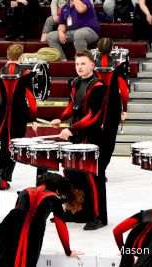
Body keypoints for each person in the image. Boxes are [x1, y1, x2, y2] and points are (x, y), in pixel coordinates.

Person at [50, 50, 107, 230]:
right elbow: (72, 106)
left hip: (92, 137)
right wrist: (61, 118)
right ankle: (76, 211)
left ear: (92, 65)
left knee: (92, 178)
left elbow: (92, 116)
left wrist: (71, 128)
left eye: (83, 63)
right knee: (72, 174)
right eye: (77, 64)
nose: (79, 67)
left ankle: (98, 216)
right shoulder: (75, 83)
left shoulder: (98, 86)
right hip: (76, 135)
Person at [0, 172, 83, 266]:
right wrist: (68, 251)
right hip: (33, 234)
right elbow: (61, 227)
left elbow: (14, 214)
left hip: (9, 230)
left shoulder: (24, 191)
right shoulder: (54, 199)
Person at [0, 44, 38, 190]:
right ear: (21, 56)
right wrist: (33, 118)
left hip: (2, 114)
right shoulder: (26, 73)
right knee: (13, 145)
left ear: (7, 55)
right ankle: (5, 176)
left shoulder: (0, 72)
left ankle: (2, 174)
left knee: (3, 145)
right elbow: (31, 99)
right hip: (19, 114)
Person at [94, 38, 129, 180]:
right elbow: (124, 90)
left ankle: (94, 167)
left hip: (95, 101)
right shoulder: (118, 63)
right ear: (112, 49)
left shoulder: (92, 61)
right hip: (112, 104)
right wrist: (124, 108)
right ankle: (101, 169)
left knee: (94, 138)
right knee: (109, 141)